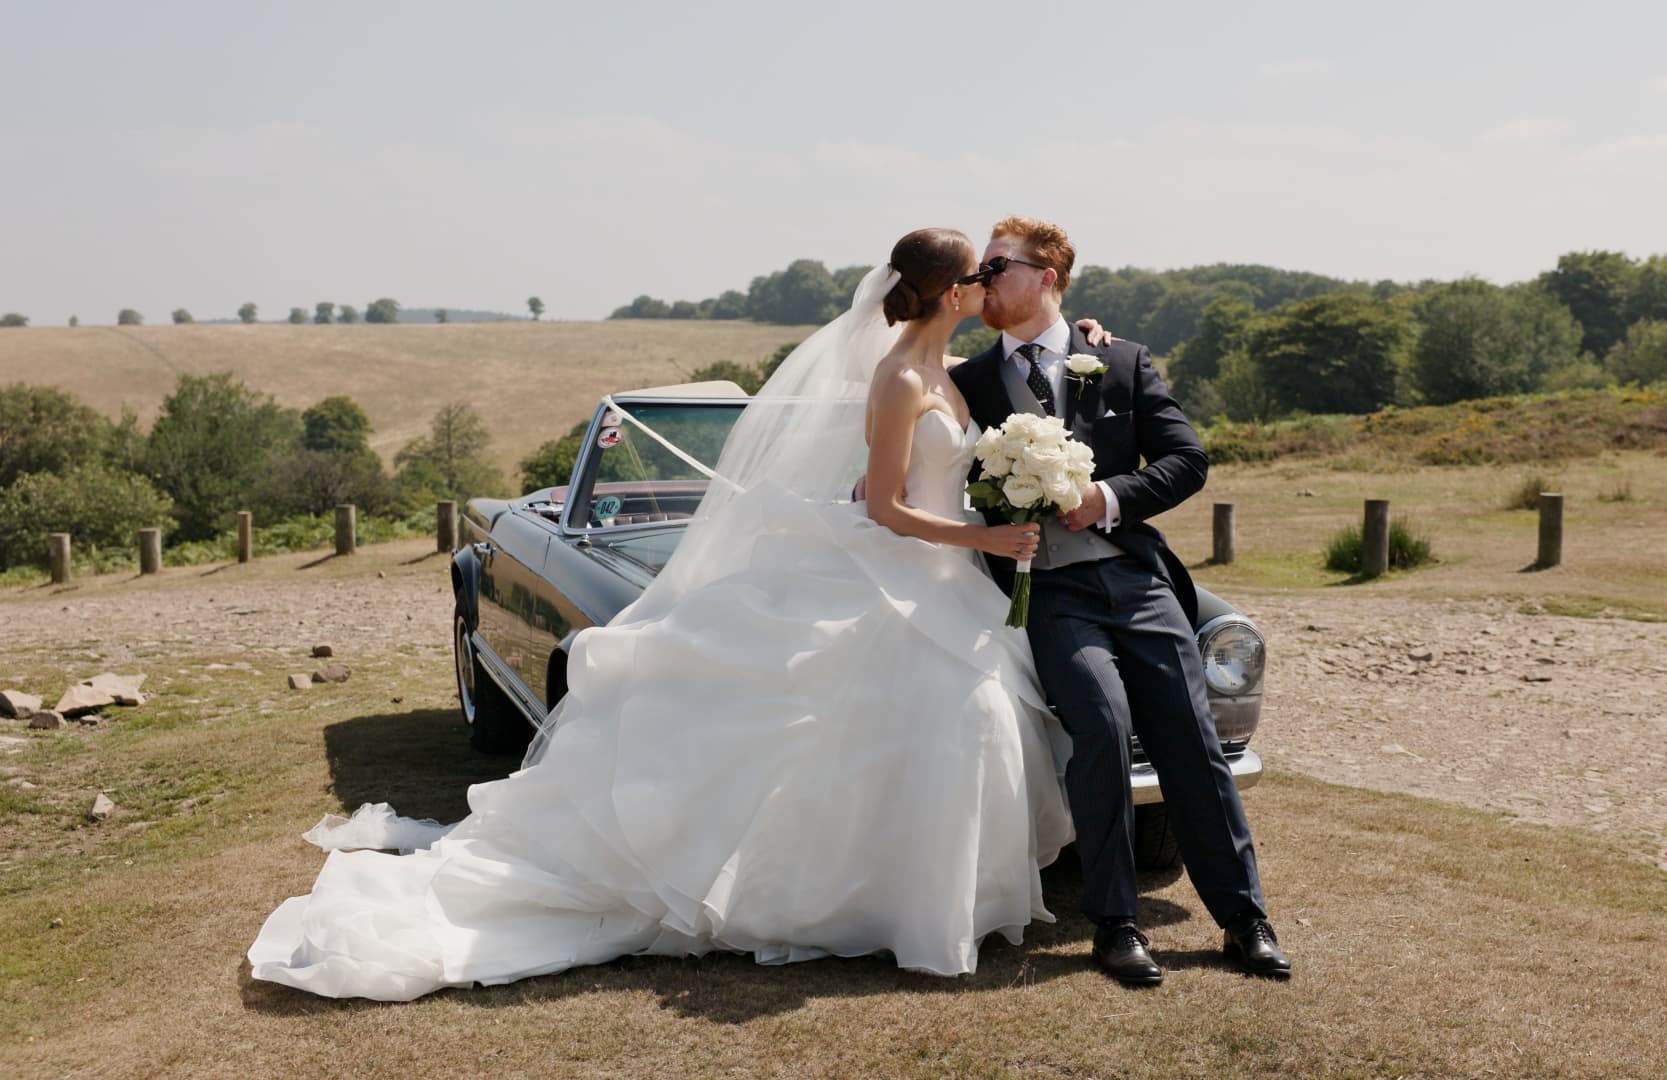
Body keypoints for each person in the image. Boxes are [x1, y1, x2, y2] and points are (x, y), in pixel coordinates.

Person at [247, 229, 1075, 1001]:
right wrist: (990, 533)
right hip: (906, 568)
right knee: (921, 726)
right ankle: (873, 907)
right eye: (976, 274)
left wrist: (1083, 347)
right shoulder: (898, 378)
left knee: (951, 730)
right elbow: (888, 508)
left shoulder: (947, 370)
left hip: (944, 580)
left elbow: (1012, 378)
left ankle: (932, 898)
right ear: (946, 292)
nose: (988, 284)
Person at [947, 216, 1289, 986]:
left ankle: (1245, 919)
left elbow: (1187, 460)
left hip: (1136, 580)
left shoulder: (1121, 359)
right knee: (1100, 727)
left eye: (999, 265)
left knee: (1191, 738)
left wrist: (1106, 496)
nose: (984, 279)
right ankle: (1116, 925)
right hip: (1047, 590)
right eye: (982, 268)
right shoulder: (964, 381)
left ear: (1050, 277)